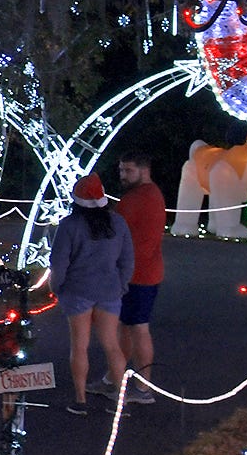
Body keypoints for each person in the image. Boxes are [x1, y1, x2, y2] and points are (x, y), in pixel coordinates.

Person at [47, 174, 134, 415]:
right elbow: (127, 260)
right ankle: (121, 400)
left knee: (80, 345)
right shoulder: (118, 223)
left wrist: (57, 287)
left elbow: (59, 263)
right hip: (109, 290)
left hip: (77, 291)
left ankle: (80, 399)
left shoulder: (69, 225)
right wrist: (122, 284)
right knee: (112, 345)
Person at [113, 156, 169, 404]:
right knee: (125, 326)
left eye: (128, 170)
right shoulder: (151, 194)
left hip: (138, 275)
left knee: (138, 328)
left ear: (144, 170)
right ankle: (115, 378)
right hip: (141, 272)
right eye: (121, 170)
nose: (123, 175)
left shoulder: (138, 199)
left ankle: (143, 388)